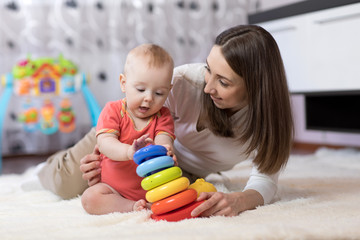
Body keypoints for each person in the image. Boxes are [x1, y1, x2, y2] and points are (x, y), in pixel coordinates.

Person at [38, 25, 293, 217]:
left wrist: (240, 200)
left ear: (257, 88)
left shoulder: (268, 123)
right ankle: (47, 167)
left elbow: (265, 180)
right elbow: (138, 118)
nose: (208, 88)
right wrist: (105, 157)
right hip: (125, 136)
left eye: (223, 82)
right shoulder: (182, 83)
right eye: (208, 70)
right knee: (65, 183)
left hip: (174, 166)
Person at [80, 43, 176, 214]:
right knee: (90, 198)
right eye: (140, 89)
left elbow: (164, 139)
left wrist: (166, 150)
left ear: (169, 91)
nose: (148, 98)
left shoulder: (163, 115)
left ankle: (149, 203)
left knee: (179, 189)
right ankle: (130, 207)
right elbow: (105, 143)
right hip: (113, 189)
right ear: (123, 83)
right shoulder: (113, 110)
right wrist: (129, 152)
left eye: (159, 93)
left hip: (153, 189)